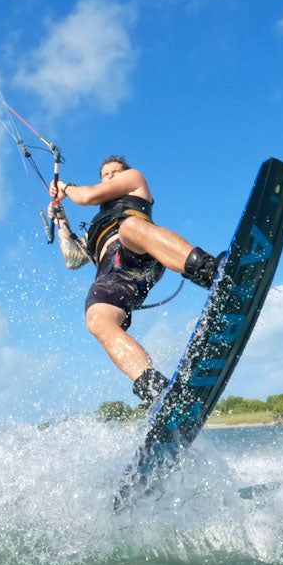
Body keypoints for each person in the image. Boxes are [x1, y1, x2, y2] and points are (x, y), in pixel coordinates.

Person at [48, 155, 222, 406]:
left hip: (140, 252)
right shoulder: (97, 227)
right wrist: (61, 219)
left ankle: (212, 272)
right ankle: (154, 389)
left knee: (129, 226)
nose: (110, 177)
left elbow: (86, 197)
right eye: (105, 175)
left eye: (115, 172)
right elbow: (73, 259)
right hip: (113, 276)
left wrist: (65, 187)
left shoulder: (134, 180)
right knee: (96, 319)